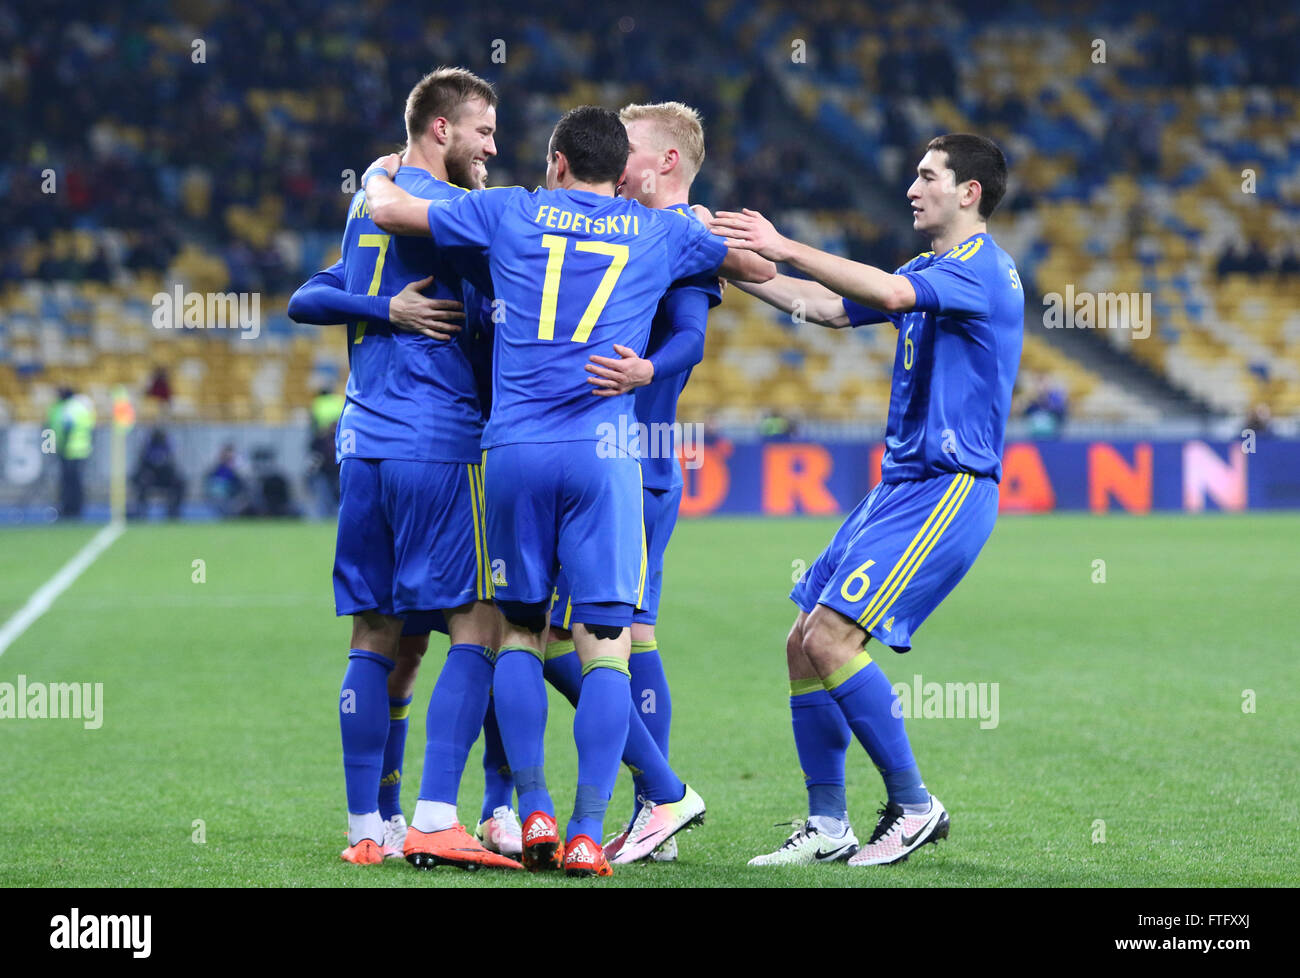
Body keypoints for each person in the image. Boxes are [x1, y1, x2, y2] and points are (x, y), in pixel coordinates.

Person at [361, 104, 774, 876]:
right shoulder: (658, 230)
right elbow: (757, 270)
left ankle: (532, 806)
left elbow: (391, 208)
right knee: (607, 646)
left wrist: (386, 168)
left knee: (518, 633)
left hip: (513, 449)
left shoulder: (508, 208)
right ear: (619, 173)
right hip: (604, 452)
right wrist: (701, 232)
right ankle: (589, 829)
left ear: (554, 161)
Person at [713, 133, 1023, 866]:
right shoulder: (930, 269)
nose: (912, 188)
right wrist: (730, 263)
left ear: (968, 192)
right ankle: (827, 827)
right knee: (802, 643)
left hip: (948, 488)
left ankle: (915, 806)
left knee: (830, 640)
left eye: (927, 176)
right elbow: (820, 308)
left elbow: (884, 292)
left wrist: (783, 242)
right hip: (899, 486)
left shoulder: (985, 271)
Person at [287, 67, 518, 871]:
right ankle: (436, 814)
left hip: (364, 446)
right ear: (443, 129)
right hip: (438, 442)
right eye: (483, 132)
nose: (493, 145)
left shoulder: (365, 202)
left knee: (379, 635)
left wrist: (379, 307)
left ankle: (366, 827)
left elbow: (307, 297)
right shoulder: (447, 208)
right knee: (483, 624)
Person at [544, 101, 724, 865]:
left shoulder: (684, 239)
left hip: (633, 459)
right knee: (634, 634)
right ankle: (659, 814)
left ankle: (662, 787)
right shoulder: (635, 228)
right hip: (628, 459)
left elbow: (691, 334)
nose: (619, 160)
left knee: (554, 636)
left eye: (634, 149)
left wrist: (647, 369)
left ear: (670, 163)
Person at [46, 387, 95, 518]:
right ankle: (70, 508)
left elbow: (61, 428)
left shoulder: (66, 409)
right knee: (69, 482)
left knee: (72, 482)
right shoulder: (73, 408)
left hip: (72, 449)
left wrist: (51, 448)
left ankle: (73, 509)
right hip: (73, 449)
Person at [131, 427, 185, 519]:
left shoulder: (168, 448)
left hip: (164, 478)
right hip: (151, 478)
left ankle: (173, 510)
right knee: (142, 482)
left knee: (180, 483)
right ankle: (141, 511)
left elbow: (172, 468)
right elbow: (140, 468)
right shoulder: (147, 449)